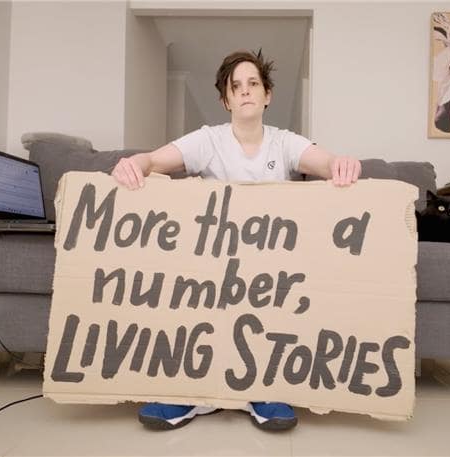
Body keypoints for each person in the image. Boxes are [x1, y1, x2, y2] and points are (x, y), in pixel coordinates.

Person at [110, 49, 361, 431]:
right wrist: (135, 164)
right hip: (214, 268)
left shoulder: (283, 143)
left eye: (253, 84)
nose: (245, 92)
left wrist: (339, 165)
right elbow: (153, 160)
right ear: (226, 99)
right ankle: (185, 392)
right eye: (236, 87)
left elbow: (324, 163)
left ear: (267, 95)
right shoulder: (208, 140)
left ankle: (268, 389)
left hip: (271, 271)